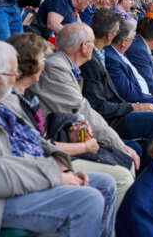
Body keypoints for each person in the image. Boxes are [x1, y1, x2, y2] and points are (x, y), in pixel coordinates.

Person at [0, 40, 116, 237]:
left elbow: (32, 141)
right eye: (12, 73)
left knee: (104, 184)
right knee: (87, 200)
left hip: (22, 180)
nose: (17, 76)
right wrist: (54, 175)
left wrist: (60, 162)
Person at [4, 32, 135, 209]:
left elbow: (40, 139)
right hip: (37, 169)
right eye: (42, 59)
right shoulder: (11, 99)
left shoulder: (26, 94)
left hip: (49, 158)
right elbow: (33, 147)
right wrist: (82, 148)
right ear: (31, 63)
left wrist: (72, 137)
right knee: (120, 176)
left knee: (123, 163)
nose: (45, 64)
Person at [29, 23, 141, 169]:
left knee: (132, 151)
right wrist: (118, 145)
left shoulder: (66, 66)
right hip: (57, 141)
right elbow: (82, 110)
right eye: (92, 43)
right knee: (125, 164)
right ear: (84, 46)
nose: (94, 47)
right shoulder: (56, 68)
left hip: (72, 133)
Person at [81, 8, 153, 145]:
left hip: (118, 109)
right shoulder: (94, 61)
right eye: (117, 32)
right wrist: (133, 106)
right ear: (110, 35)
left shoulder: (102, 54)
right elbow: (100, 104)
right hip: (110, 118)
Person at [105, 18, 153, 115]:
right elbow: (127, 92)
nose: (134, 41)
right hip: (128, 107)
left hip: (143, 96)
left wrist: (151, 97)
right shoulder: (112, 58)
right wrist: (151, 98)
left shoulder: (121, 54)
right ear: (124, 42)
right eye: (133, 38)